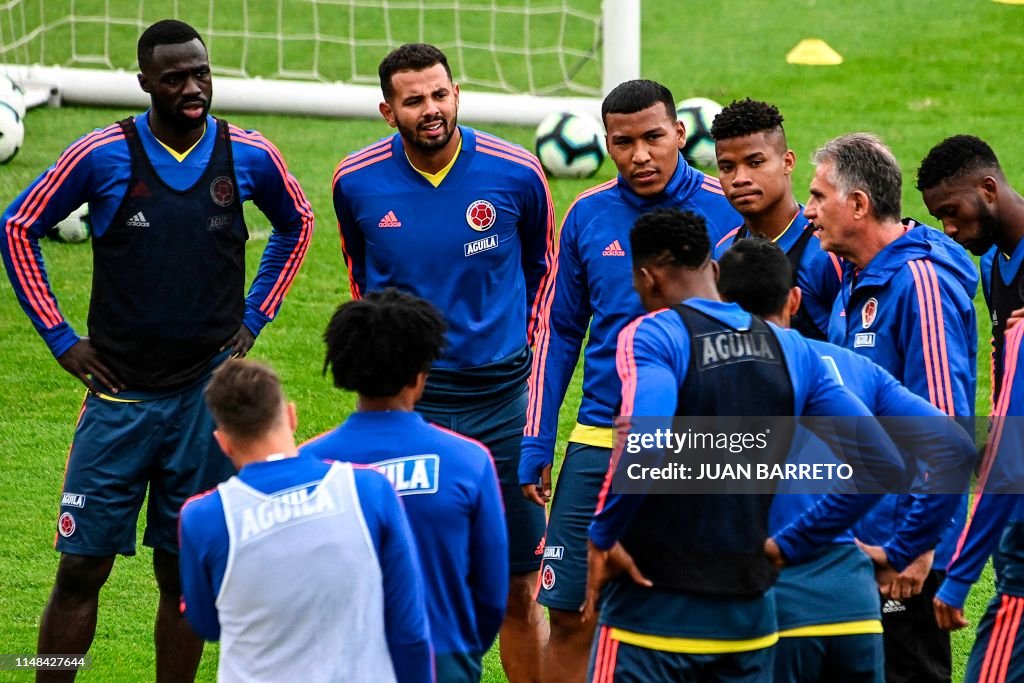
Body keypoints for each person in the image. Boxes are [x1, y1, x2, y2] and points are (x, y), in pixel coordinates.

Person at [0, 19, 313, 681]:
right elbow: (19, 225)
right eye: (175, 77)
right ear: (144, 82)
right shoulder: (102, 154)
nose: (193, 87)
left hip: (205, 405)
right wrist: (60, 339)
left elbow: (299, 221)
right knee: (80, 567)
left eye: (201, 72)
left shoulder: (248, 155)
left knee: (181, 570)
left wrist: (254, 317)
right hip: (119, 400)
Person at [582, 208, 907, 683]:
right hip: (748, 625)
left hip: (651, 623)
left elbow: (646, 441)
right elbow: (880, 462)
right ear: (713, 270)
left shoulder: (655, 334)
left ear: (647, 278)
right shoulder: (793, 349)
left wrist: (602, 537)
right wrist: (792, 544)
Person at [332, 42, 552, 681]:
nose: (431, 110)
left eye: (440, 94)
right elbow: (362, 279)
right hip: (407, 405)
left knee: (519, 584)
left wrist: (529, 362)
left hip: (504, 400)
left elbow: (543, 273)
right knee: (403, 575)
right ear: (387, 110)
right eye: (413, 100)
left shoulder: (517, 173)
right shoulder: (356, 181)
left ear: (456, 93)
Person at [518, 79, 740, 682]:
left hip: (701, 446)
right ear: (606, 143)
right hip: (597, 439)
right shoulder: (588, 214)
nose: (640, 155)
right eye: (624, 142)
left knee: (696, 616)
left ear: (680, 135)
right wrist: (538, 438)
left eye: (653, 138)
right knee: (569, 612)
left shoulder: (729, 209)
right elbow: (559, 332)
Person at [717, 237, 974, 683]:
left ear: (717, 302)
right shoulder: (855, 368)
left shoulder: (702, 378)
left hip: (768, 614)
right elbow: (952, 447)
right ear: (795, 300)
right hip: (854, 612)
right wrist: (905, 547)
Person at [806, 132, 978, 682]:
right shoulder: (858, 280)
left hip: (905, 550)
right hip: (864, 537)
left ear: (857, 205)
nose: (807, 211)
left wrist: (921, 546)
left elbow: (946, 425)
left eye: (817, 197)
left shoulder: (918, 283)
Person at [179, 359, 432, 682]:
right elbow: (409, 625)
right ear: (291, 416)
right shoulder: (369, 490)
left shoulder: (203, 518)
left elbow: (205, 624)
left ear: (223, 443)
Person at [300, 288, 508, 682]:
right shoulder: (468, 461)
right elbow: (492, 587)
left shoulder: (308, 462)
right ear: (420, 373)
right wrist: (462, 648)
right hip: (442, 657)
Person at [917, 135, 1024, 682]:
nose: (949, 230)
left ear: (988, 188)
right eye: (939, 219)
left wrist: (958, 577)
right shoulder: (993, 270)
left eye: (953, 213)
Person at [709, 98, 842, 340]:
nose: (739, 178)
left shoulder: (827, 249)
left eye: (755, 163)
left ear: (787, 162)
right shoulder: (724, 251)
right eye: (727, 167)